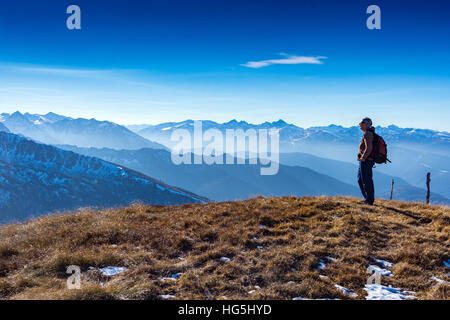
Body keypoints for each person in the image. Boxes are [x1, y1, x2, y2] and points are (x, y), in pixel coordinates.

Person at [357, 117, 375, 205]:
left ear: (367, 125)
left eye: (362, 123)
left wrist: (363, 157)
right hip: (366, 160)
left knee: (366, 180)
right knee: (361, 179)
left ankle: (369, 200)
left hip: (366, 160)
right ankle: (367, 199)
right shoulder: (368, 133)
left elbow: (369, 148)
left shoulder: (368, 134)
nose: (360, 125)